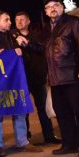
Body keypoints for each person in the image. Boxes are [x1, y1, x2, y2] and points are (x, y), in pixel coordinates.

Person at [19, 0, 79, 157]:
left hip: (73, 75)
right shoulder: (47, 29)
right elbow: (43, 50)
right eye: (49, 7)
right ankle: (69, 144)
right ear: (45, 12)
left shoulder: (73, 22)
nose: (53, 8)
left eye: (56, 5)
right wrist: (26, 43)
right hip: (55, 78)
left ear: (62, 7)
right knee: (62, 113)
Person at [0, 11, 43, 157]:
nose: (10, 22)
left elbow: (26, 56)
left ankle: (22, 142)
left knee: (19, 111)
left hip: (15, 81)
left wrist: (20, 51)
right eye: (6, 20)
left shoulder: (13, 37)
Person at [14, 11, 61, 145]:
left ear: (28, 21)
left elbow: (43, 50)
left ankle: (49, 135)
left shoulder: (37, 36)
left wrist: (26, 44)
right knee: (24, 109)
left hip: (37, 77)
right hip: (20, 79)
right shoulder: (11, 38)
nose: (19, 22)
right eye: (17, 20)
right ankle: (26, 137)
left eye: (22, 19)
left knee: (43, 108)